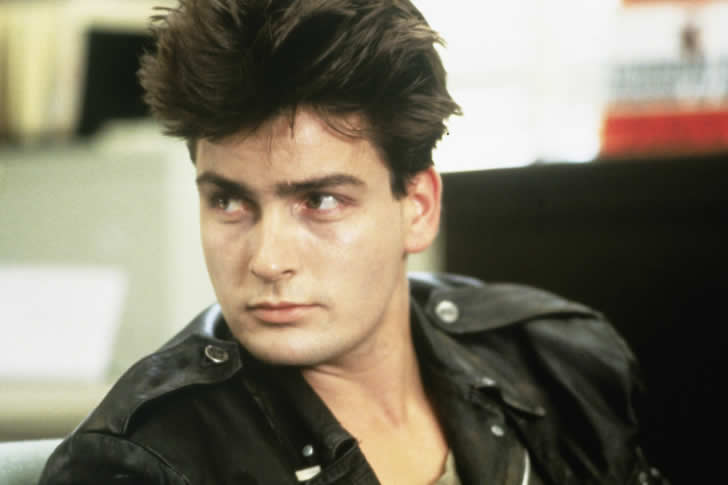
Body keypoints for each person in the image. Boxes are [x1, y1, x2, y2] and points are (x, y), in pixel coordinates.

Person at [41, 1, 668, 484]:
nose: (267, 260)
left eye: (319, 201)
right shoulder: (139, 465)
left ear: (418, 207)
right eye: (229, 201)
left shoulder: (559, 362)